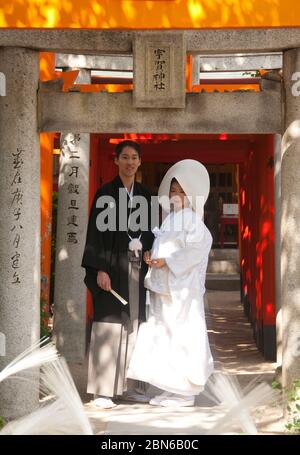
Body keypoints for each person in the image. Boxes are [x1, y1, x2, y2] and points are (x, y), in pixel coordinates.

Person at [126, 159, 214, 407]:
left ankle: (185, 392)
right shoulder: (170, 219)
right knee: (163, 334)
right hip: (164, 286)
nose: (176, 195)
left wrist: (168, 261)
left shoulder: (193, 220)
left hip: (182, 291)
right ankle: (171, 387)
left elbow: (198, 249)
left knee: (181, 334)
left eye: (181, 192)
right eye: (173, 191)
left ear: (192, 195)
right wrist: (152, 257)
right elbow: (163, 247)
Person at [81, 140, 154, 409]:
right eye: (125, 157)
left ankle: (132, 387)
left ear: (139, 162)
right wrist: (99, 268)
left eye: (134, 157)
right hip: (111, 268)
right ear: (116, 161)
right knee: (109, 323)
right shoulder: (104, 194)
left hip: (137, 268)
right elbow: (96, 236)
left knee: (136, 324)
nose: (130, 162)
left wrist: (146, 247)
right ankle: (102, 391)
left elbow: (152, 230)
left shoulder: (146, 195)